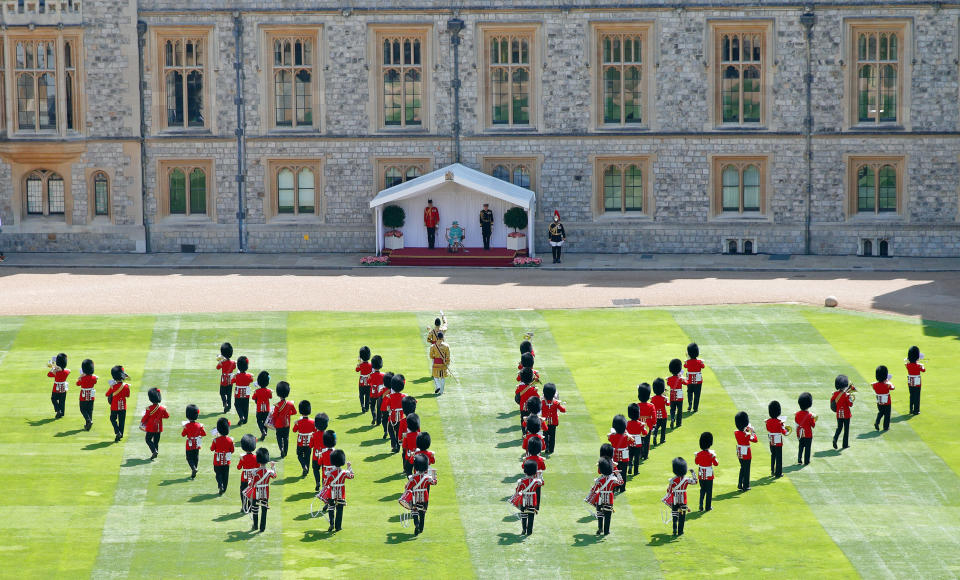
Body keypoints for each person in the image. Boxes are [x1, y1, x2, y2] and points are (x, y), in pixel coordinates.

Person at [321, 449, 354, 532]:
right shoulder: (344, 472)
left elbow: (326, 483)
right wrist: (349, 467)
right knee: (340, 510)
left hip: (331, 492)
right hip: (340, 493)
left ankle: (331, 523)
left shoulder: (330, 473)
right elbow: (352, 476)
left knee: (331, 508)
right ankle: (338, 526)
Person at [664, 457, 698, 537]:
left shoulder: (672, 480)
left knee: (675, 514)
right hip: (683, 501)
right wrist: (693, 473)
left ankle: (674, 528)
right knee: (682, 517)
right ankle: (680, 531)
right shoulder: (686, 480)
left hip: (674, 500)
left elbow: (668, 491)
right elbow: (695, 482)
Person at [404, 453, 438, 536]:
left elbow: (407, 487)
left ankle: (416, 524)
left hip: (415, 496)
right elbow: (434, 482)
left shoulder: (413, 477)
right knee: (422, 513)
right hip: (424, 496)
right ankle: (421, 528)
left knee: (414, 511)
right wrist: (434, 475)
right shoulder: (427, 477)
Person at [588, 458, 622, 536]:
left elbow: (594, 490)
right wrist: (618, 474)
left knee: (600, 514)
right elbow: (621, 482)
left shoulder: (599, 480)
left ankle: (600, 528)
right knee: (608, 515)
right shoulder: (612, 479)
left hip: (600, 498)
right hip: (609, 499)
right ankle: (606, 531)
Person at [248, 448, 277, 533]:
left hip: (256, 494)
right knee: (264, 511)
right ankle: (262, 528)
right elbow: (274, 475)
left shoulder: (255, 471)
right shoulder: (269, 471)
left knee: (255, 510)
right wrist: (273, 466)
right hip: (265, 494)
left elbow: (251, 484)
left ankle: (255, 525)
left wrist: (250, 480)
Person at [513, 459, 543, 537]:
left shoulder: (521, 481)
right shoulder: (536, 481)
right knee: (531, 515)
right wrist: (540, 475)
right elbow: (541, 483)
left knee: (523, 515)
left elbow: (518, 491)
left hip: (523, 500)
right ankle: (529, 531)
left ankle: (524, 529)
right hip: (532, 500)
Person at [141, 388, 169, 461]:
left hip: (150, 427)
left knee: (148, 439)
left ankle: (154, 451)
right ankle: (155, 453)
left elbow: (145, 417)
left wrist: (142, 422)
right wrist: (161, 414)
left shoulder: (149, 408)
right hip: (158, 428)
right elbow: (167, 416)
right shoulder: (162, 408)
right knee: (156, 441)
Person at [271, 381, 297, 459]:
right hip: (287, 423)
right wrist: (288, 414)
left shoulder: (277, 405)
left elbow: (274, 415)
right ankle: (285, 452)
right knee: (286, 438)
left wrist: (272, 413)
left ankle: (281, 449)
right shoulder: (290, 404)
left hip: (278, 424)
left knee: (279, 437)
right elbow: (294, 412)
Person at [105, 365, 131, 441]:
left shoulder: (113, 386)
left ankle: (117, 431)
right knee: (122, 421)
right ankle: (121, 434)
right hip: (123, 406)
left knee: (112, 419)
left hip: (114, 406)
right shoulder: (126, 386)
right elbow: (128, 395)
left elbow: (107, 394)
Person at [181, 404, 206, 479]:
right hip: (197, 442)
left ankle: (193, 468)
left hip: (189, 443)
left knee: (189, 457)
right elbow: (204, 434)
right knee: (196, 456)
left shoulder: (187, 425)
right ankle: (195, 469)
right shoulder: (199, 425)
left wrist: (184, 427)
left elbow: (183, 434)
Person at [210, 417, 234, 495]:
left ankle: (220, 485)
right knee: (225, 475)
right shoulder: (230, 440)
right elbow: (232, 451)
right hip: (226, 461)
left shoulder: (216, 440)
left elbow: (212, 449)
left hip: (217, 461)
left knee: (218, 474)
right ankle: (224, 488)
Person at [765, 401, 789, 478]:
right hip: (778, 442)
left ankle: (772, 470)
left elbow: (768, 429)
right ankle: (778, 473)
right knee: (779, 457)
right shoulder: (780, 422)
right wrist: (784, 426)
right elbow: (784, 432)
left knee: (773, 455)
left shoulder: (768, 421)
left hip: (771, 441)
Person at [694, 432, 717, 511]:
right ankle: (708, 507)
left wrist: (696, 456)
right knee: (709, 491)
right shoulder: (711, 454)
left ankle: (701, 505)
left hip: (701, 475)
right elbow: (716, 464)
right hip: (709, 475)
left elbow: (696, 462)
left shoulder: (699, 454)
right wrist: (714, 456)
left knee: (702, 490)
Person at [734, 411, 757, 491]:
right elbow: (755, 439)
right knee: (746, 469)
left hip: (740, 452)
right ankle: (746, 486)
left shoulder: (736, 432)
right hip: (746, 453)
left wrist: (747, 428)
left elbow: (742, 431)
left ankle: (740, 484)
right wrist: (752, 431)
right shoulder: (746, 435)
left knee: (743, 468)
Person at [540, 383, 566, 454]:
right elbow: (563, 410)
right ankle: (551, 449)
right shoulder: (555, 403)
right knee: (552, 436)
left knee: (545, 435)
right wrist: (561, 404)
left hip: (545, 422)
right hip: (553, 422)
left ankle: (546, 448)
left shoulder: (542, 402)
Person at [608, 415, 631, 491]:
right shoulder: (625, 436)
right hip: (624, 457)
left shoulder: (612, 436)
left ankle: (615, 487)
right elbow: (632, 440)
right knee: (623, 473)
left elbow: (609, 438)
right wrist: (627, 433)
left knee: (615, 472)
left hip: (615, 457)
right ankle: (622, 488)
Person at [830, 374, 854, 450]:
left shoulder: (835, 394)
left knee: (839, 428)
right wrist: (851, 398)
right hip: (846, 414)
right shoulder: (847, 395)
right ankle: (845, 444)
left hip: (839, 414)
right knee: (846, 429)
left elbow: (832, 401)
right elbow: (850, 404)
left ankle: (835, 438)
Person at [236, 434, 259, 510]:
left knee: (243, 492)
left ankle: (244, 506)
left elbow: (238, 467)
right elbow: (258, 467)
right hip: (253, 478)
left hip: (244, 478)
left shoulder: (243, 457)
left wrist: (241, 459)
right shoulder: (256, 457)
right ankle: (250, 506)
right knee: (251, 492)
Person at [384, 374, 406, 453]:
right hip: (400, 416)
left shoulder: (390, 396)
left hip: (392, 417)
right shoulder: (404, 396)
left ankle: (394, 444)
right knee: (398, 432)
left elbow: (387, 407)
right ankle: (398, 447)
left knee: (390, 429)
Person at [292, 400, 315, 477]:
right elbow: (315, 431)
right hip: (309, 442)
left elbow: (294, 430)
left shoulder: (299, 421)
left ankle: (303, 466)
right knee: (307, 456)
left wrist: (296, 423)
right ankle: (306, 470)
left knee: (299, 455)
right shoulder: (313, 422)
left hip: (300, 442)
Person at [309, 414, 331, 491]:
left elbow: (311, 445)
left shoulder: (314, 434)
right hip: (325, 456)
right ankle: (323, 484)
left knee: (315, 469)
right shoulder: (328, 434)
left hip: (316, 456)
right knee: (324, 470)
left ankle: (317, 482)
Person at [625, 404, 648, 476]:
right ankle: (636, 471)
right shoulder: (640, 424)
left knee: (630, 455)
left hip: (629, 441)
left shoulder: (627, 423)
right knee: (637, 457)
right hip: (638, 442)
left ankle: (630, 465)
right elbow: (645, 433)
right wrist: (645, 426)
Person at [795, 392, 817, 466]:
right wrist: (814, 419)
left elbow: (796, 422)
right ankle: (806, 461)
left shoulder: (797, 414)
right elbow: (813, 425)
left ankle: (799, 459)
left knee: (801, 447)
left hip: (800, 434)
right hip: (808, 434)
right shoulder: (810, 415)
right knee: (807, 448)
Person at [684, 343, 706, 413]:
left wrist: (687, 359)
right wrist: (701, 361)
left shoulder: (688, 362)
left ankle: (690, 404)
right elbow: (703, 366)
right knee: (697, 394)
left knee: (689, 392)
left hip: (690, 380)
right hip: (698, 381)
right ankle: (695, 408)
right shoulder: (699, 362)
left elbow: (685, 366)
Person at [872, 365, 895, 431]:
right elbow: (893, 387)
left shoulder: (874, 385)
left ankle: (877, 421)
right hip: (887, 402)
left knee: (881, 412)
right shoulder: (887, 385)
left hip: (879, 402)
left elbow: (876, 386)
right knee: (887, 415)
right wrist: (888, 381)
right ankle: (886, 427)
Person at [636, 383, 656, 460]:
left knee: (640, 440)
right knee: (647, 441)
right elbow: (654, 416)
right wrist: (653, 423)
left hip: (639, 424)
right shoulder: (651, 405)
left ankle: (640, 453)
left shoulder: (637, 405)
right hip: (648, 424)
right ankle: (645, 455)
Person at [232, 355, 253, 426]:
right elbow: (251, 380)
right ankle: (245, 419)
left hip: (238, 394)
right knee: (245, 406)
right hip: (246, 394)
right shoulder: (249, 376)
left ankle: (241, 416)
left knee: (237, 405)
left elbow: (232, 381)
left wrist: (235, 375)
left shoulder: (237, 376)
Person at [77, 358, 97, 431]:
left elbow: (77, 384)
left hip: (83, 395)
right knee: (90, 410)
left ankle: (88, 421)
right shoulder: (94, 377)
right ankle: (88, 424)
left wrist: (80, 377)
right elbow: (95, 382)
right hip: (91, 395)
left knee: (82, 409)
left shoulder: (82, 378)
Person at [667, 359, 688, 429]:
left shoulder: (669, 379)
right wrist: (683, 377)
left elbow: (668, 383)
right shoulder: (680, 378)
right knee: (679, 410)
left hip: (672, 396)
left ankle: (672, 418)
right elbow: (686, 383)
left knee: (672, 409)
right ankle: (678, 423)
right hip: (679, 396)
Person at [251, 371, 272, 441]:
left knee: (259, 421)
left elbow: (253, 398)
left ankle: (263, 431)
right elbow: (270, 397)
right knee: (266, 422)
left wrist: (255, 392)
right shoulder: (269, 391)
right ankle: (264, 433)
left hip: (259, 409)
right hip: (267, 410)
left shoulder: (257, 391)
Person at [216, 343, 236, 414]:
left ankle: (225, 402)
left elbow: (217, 368)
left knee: (222, 393)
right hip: (230, 379)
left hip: (224, 379)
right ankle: (229, 406)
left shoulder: (222, 362)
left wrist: (220, 361)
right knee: (229, 394)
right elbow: (234, 367)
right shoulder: (233, 362)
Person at [48, 353, 70, 418]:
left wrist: (53, 368)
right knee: (62, 401)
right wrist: (59, 368)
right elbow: (68, 370)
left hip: (56, 388)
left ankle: (58, 410)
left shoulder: (56, 372)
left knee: (53, 399)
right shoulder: (66, 372)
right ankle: (62, 413)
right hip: (63, 388)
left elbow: (49, 374)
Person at [905, 346, 925, 415]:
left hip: (910, 381)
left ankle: (911, 409)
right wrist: (921, 364)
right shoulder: (919, 365)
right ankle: (916, 410)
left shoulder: (907, 365)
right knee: (917, 396)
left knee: (912, 395)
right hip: (917, 381)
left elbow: (908, 362)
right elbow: (923, 370)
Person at [650, 379, 669, 446]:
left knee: (656, 427)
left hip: (656, 416)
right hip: (663, 416)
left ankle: (655, 436)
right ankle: (662, 440)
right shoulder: (664, 398)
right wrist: (667, 398)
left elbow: (651, 404)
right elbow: (668, 404)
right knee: (663, 429)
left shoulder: (652, 398)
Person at [368, 355, 385, 425]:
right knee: (379, 408)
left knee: (372, 406)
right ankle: (378, 421)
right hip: (380, 394)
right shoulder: (383, 375)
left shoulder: (371, 375)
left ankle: (374, 416)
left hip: (373, 393)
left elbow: (368, 383)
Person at [356, 346, 372, 414]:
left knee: (361, 394)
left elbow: (357, 370)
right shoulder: (371, 364)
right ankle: (367, 407)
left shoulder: (361, 365)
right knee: (368, 395)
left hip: (361, 382)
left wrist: (359, 363)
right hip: (368, 381)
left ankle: (362, 406)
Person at [378, 372, 394, 439]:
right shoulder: (394, 390)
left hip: (384, 407)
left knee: (384, 420)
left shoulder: (382, 389)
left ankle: (385, 431)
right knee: (391, 420)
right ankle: (391, 432)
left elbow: (379, 396)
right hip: (392, 407)